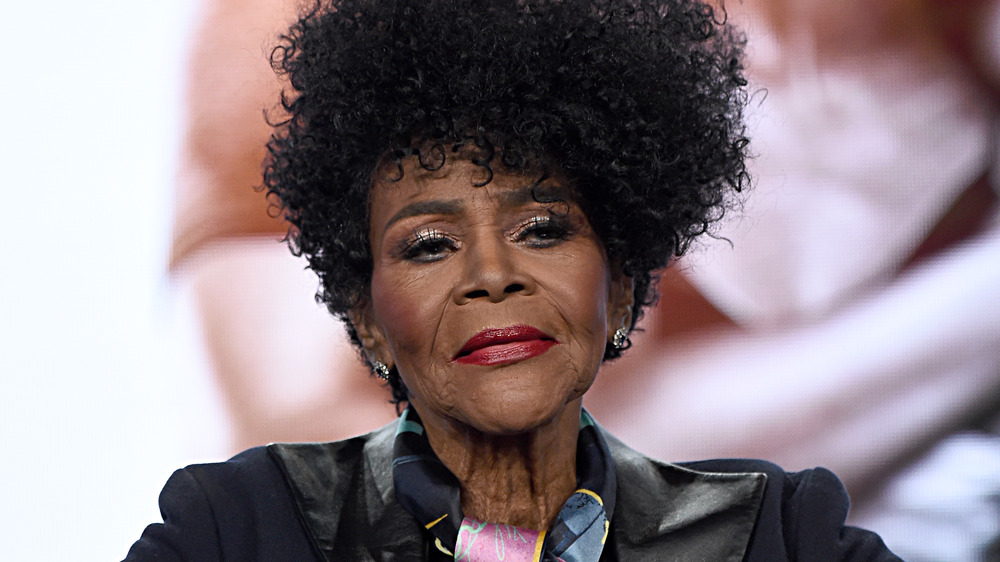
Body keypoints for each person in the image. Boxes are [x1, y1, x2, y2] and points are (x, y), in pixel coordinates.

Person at [127, 0, 901, 559]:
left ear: (627, 286)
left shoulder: (781, 529)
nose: (492, 277)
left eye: (544, 231)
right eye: (430, 244)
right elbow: (292, 402)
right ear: (362, 317)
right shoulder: (232, 525)